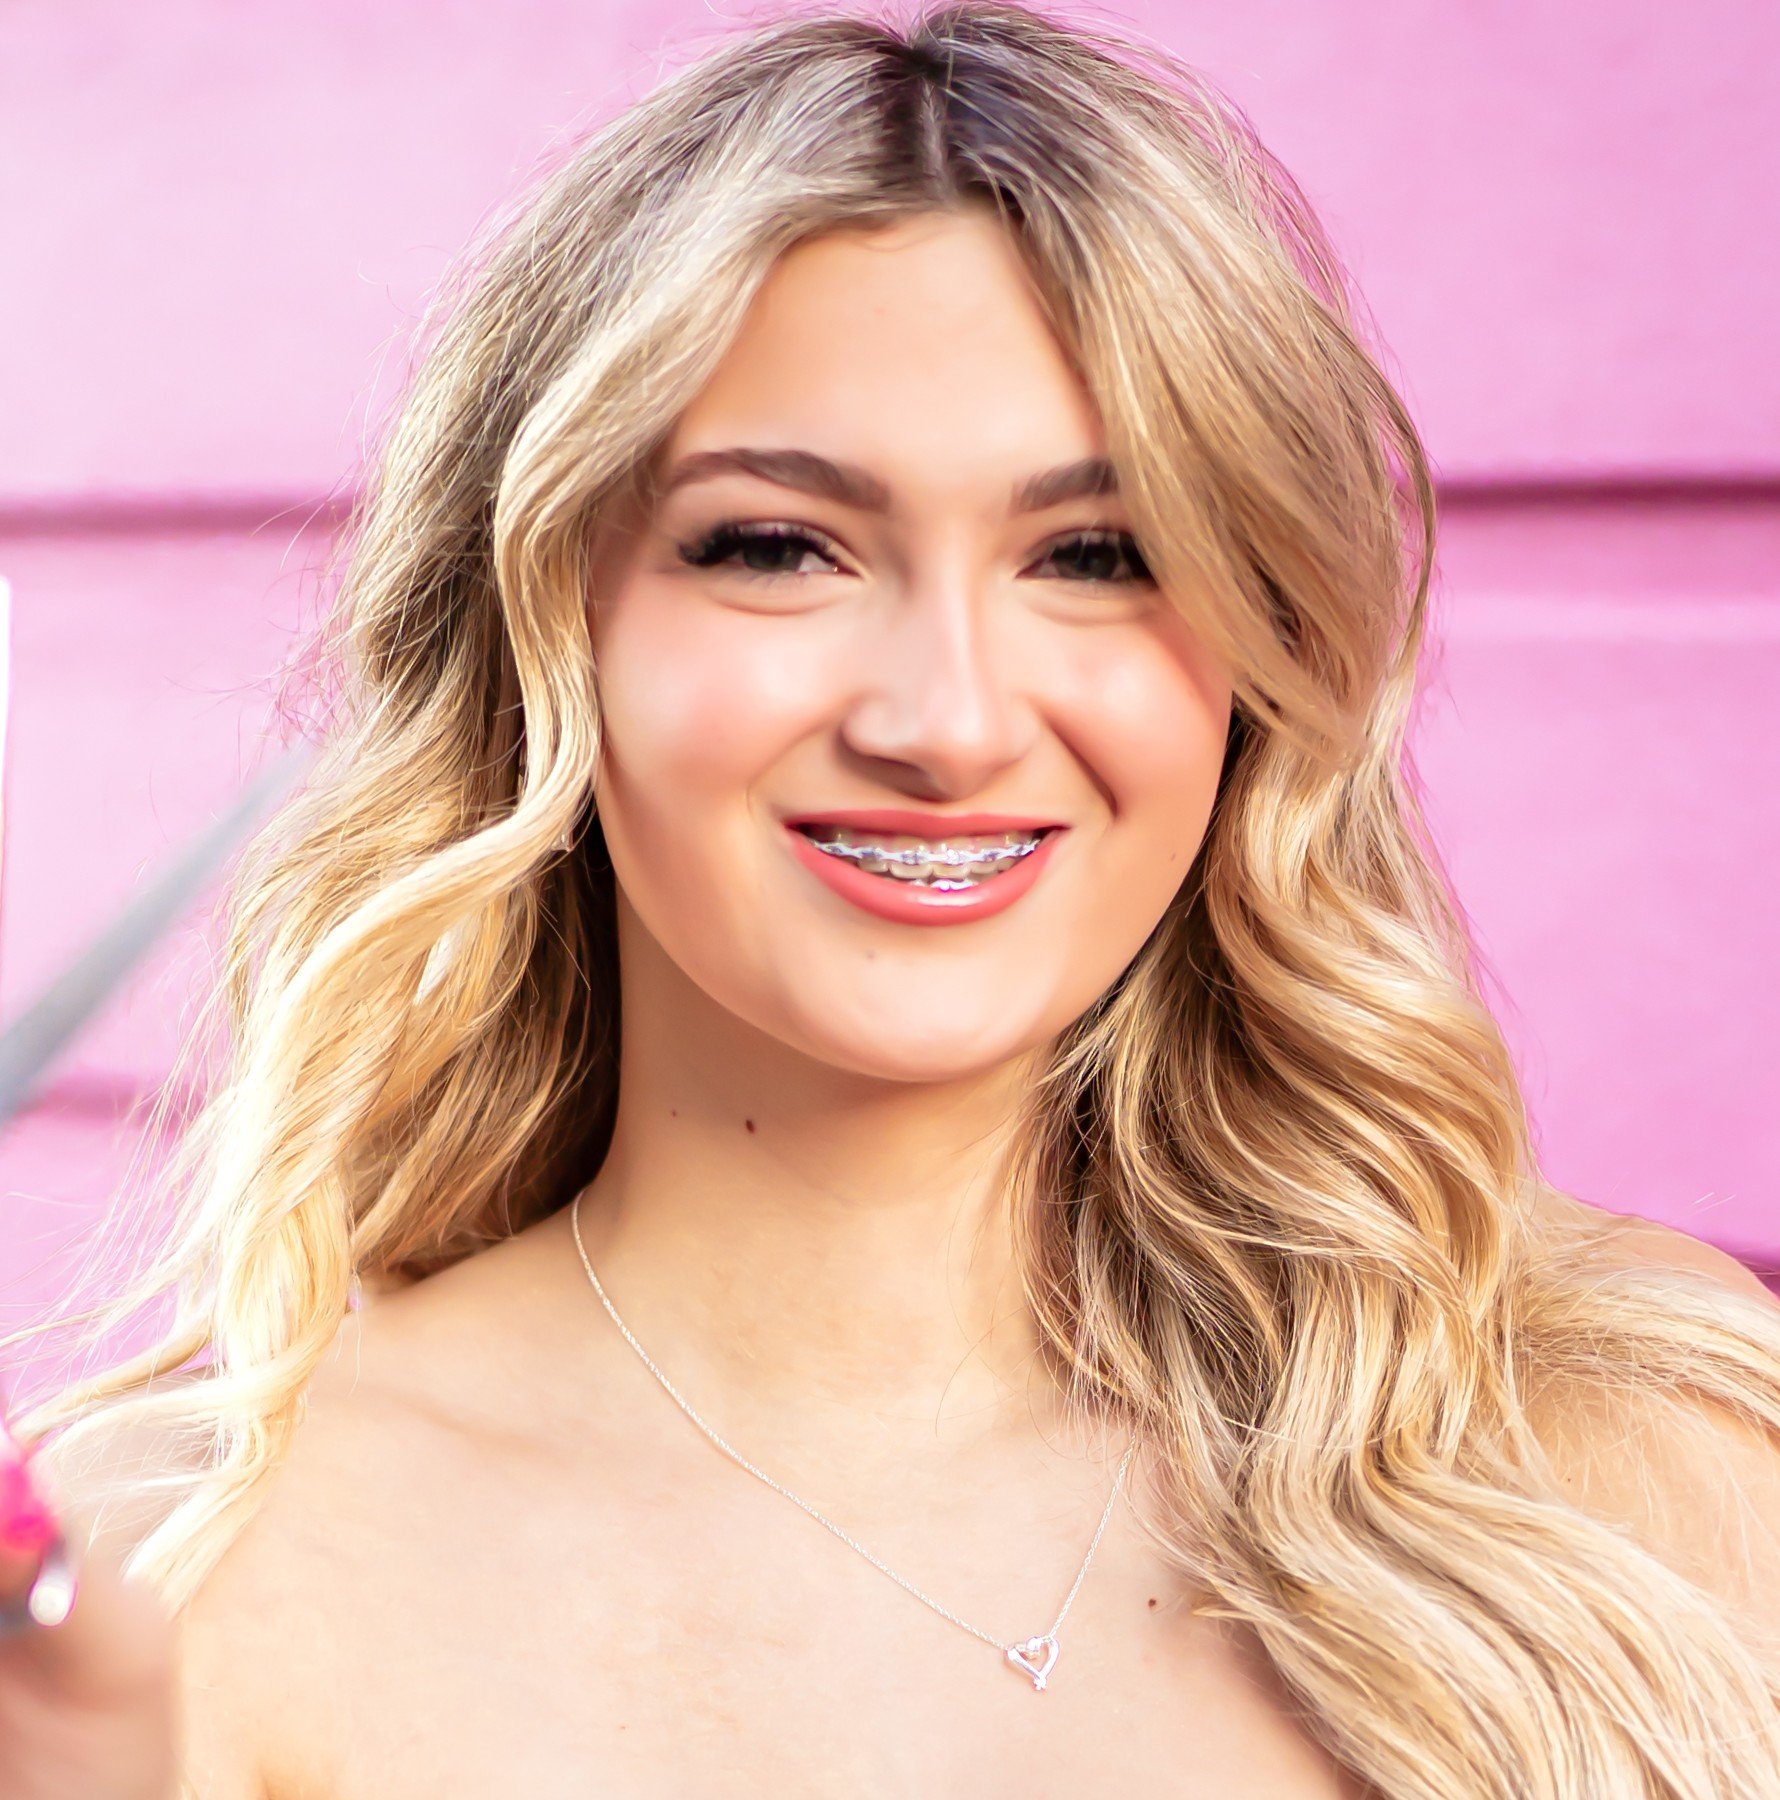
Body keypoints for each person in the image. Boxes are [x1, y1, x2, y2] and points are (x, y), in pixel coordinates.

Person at [4, 3, 1779, 1794]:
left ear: (1255, 664)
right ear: (548, 633)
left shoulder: (1654, 1462)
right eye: (777, 546)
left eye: (1099, 556)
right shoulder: (182, 1585)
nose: (946, 720)